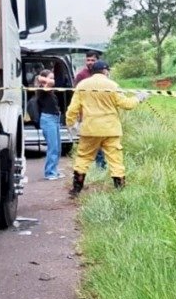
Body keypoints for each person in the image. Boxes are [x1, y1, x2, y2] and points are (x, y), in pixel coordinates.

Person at [65, 61, 148, 197]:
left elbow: (73, 108)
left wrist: (70, 123)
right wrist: (139, 98)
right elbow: (126, 104)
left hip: (89, 129)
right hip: (111, 129)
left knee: (83, 158)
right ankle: (120, 190)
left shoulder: (82, 85)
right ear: (105, 71)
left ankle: (76, 189)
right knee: (115, 160)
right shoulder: (112, 85)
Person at [72, 51, 106, 170]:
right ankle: (97, 167)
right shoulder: (81, 75)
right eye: (88, 60)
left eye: (92, 60)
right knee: (92, 142)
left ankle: (101, 166)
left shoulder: (103, 74)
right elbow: (76, 97)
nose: (90, 62)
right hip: (87, 114)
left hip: (103, 113)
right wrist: (78, 115)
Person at [35, 69, 64, 181]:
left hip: (55, 119)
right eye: (50, 78)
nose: (52, 80)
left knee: (57, 148)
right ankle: (49, 172)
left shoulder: (51, 91)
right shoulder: (42, 89)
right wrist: (47, 79)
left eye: (53, 78)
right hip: (48, 119)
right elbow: (40, 78)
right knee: (52, 147)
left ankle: (54, 170)